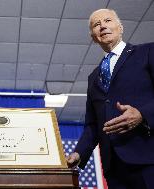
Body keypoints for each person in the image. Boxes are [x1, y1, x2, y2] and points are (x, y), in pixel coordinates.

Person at [66, 9, 154, 189]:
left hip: (148, 158)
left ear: (120, 27)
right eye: (97, 24)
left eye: (107, 20)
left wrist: (142, 114)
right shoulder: (93, 77)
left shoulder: (148, 52)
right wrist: (78, 153)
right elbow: (93, 124)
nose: (103, 26)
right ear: (94, 37)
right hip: (114, 169)